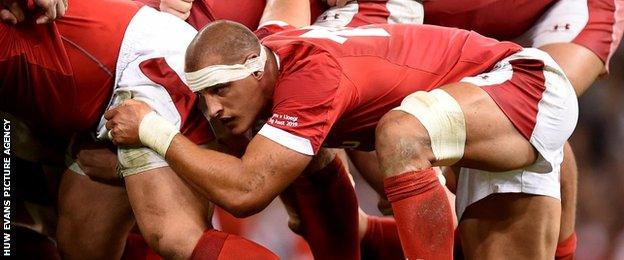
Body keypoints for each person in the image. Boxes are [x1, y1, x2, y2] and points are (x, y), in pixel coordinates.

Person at [105, 15, 578, 259]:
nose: (213, 109)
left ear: (255, 70)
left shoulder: (310, 79)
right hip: (487, 103)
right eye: (204, 96)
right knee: (305, 160)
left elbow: (245, 192)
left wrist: (154, 130)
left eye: (222, 89)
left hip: (522, 80)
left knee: (400, 132)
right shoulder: (271, 51)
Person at [0, 0, 315, 258]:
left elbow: (246, 192)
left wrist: (151, 134)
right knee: (81, 246)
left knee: (173, 234)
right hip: (100, 99)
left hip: (144, 64)